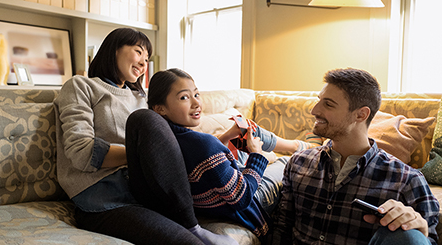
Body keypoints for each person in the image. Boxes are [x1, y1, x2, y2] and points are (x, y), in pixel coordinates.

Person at [54, 28, 233, 245]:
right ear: (114, 50)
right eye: (138, 52)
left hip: (146, 190)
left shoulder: (142, 97)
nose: (143, 63)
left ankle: (190, 224)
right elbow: (81, 152)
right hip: (104, 199)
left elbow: (171, 144)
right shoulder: (81, 86)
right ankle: (191, 228)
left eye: (147, 58)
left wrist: (225, 138)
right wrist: (144, 153)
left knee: (149, 120)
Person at [127, 68, 319, 244]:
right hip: (244, 201)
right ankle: (305, 148)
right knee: (287, 161)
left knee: (248, 135)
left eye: (196, 94)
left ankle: (295, 147)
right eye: (184, 98)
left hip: (219, 186)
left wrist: (225, 137)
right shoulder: (203, 145)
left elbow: (206, 161)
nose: (196, 103)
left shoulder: (163, 142)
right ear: (160, 108)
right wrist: (257, 156)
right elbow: (241, 197)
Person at [273, 68, 440, 245]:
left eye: (328, 104)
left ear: (361, 114)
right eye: (318, 101)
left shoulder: (407, 180)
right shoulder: (298, 163)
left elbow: (428, 239)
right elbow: (281, 231)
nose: (314, 110)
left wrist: (420, 233)